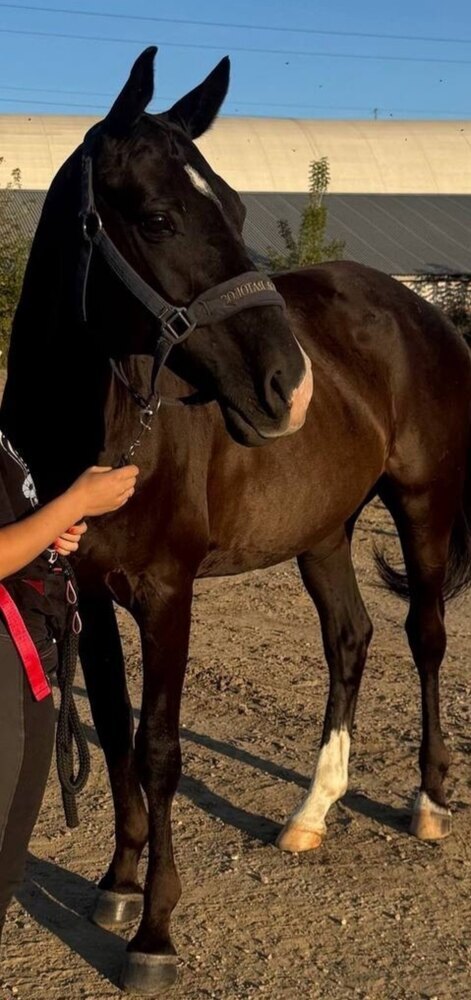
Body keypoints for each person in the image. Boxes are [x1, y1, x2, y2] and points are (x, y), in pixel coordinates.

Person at [0, 427, 139, 937]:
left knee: (7, 862)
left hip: (22, 660)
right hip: (5, 662)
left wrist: (44, 527)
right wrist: (75, 502)